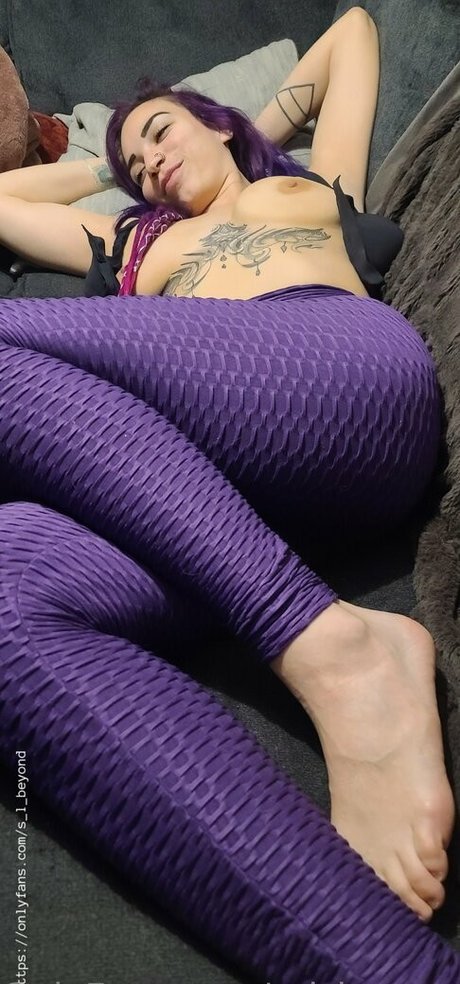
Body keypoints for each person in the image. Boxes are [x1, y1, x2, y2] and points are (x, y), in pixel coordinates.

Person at [0, 3, 454, 940]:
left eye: (161, 133)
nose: (150, 162)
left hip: (341, 375)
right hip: (227, 506)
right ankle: (376, 957)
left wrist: (235, 119)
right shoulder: (126, 241)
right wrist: (110, 167)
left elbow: (354, 33)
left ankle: (329, 648)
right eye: (137, 163)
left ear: (217, 124)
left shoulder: (306, 184)